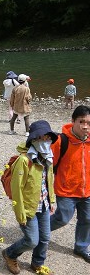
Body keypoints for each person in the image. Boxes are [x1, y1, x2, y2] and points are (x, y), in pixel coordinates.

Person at [2, 120, 57, 274]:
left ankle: (37, 264)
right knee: (32, 240)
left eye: (48, 138)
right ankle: (10, 254)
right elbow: (16, 188)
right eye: (42, 138)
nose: (46, 141)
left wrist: (52, 200)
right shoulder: (24, 160)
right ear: (33, 139)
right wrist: (20, 213)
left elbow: (49, 179)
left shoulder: (48, 157)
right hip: (28, 207)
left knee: (45, 238)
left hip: (44, 204)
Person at [50, 105, 90, 263]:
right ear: (73, 121)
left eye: (88, 122)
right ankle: (38, 231)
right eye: (81, 121)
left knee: (87, 219)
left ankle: (81, 247)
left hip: (87, 190)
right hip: (66, 190)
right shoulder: (61, 141)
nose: (85, 126)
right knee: (62, 219)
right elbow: (48, 164)